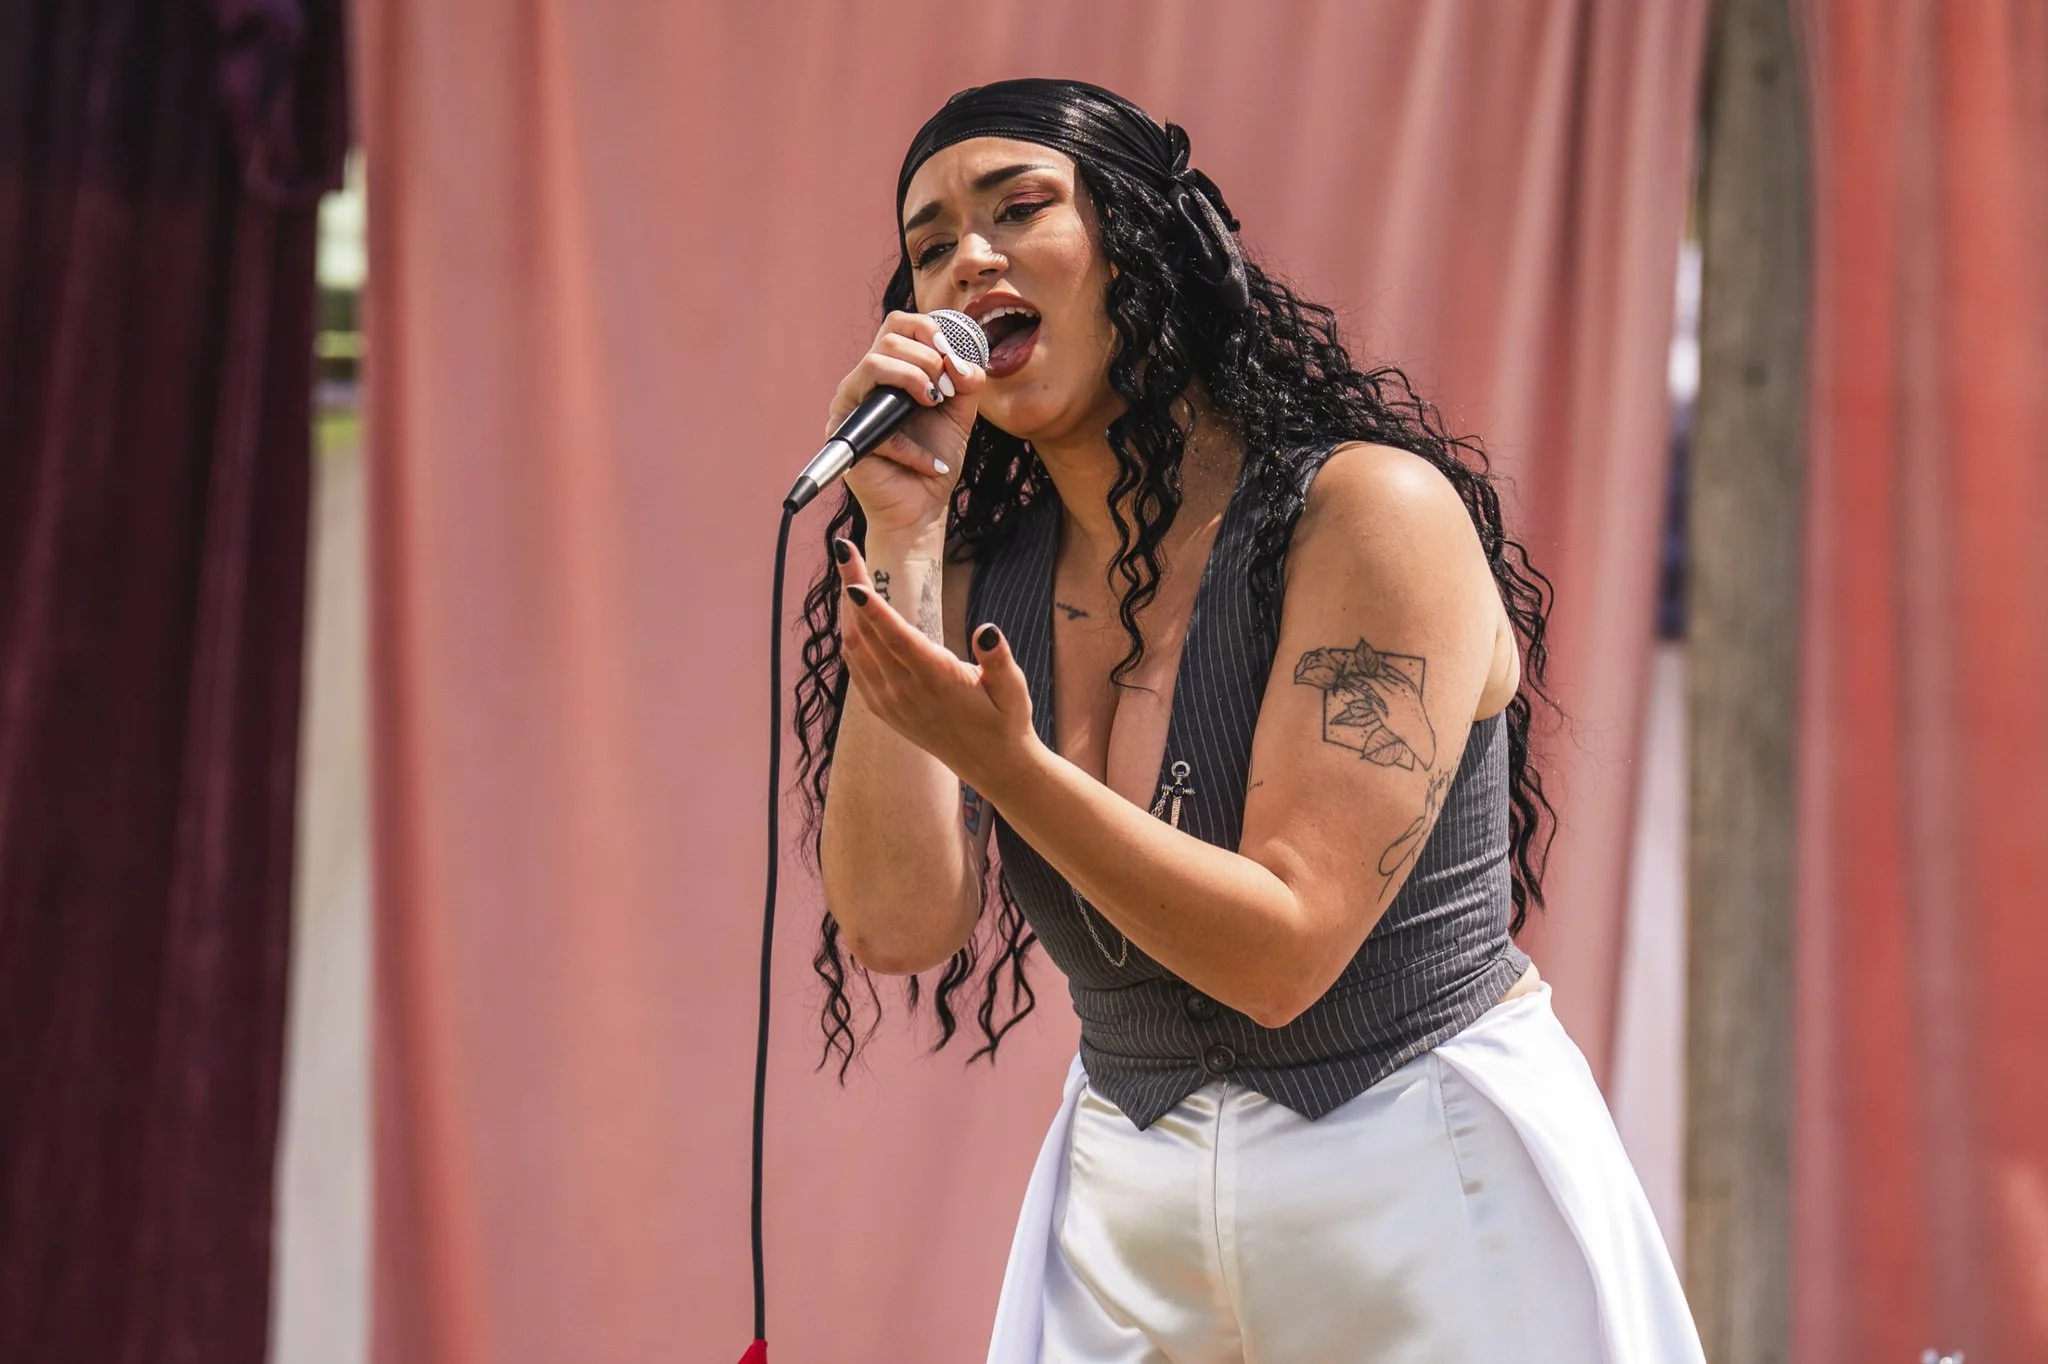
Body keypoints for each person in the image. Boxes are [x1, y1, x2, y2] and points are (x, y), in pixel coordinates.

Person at [795, 78, 1702, 1362]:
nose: (966, 258)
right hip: (1126, 1194)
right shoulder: (980, 570)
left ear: (1142, 243)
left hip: (1418, 1172)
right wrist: (902, 529)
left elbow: (1284, 952)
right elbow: (894, 922)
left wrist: (1010, 764)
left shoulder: (1367, 515)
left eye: (1018, 208)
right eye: (929, 243)